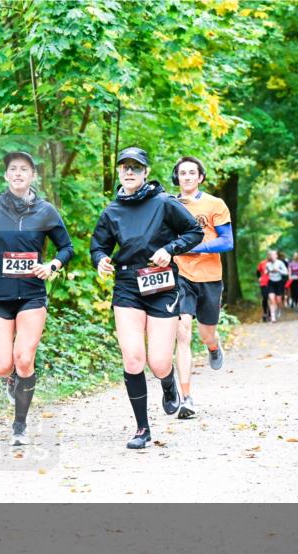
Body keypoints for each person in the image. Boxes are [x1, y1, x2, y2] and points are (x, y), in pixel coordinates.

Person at [90, 147, 203, 449]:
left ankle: (168, 383)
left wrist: (171, 249)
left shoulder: (164, 203)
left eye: (135, 168)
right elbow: (98, 246)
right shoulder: (111, 211)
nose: (129, 172)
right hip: (127, 284)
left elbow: (194, 231)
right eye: (124, 167)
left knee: (159, 361)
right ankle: (142, 428)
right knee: (132, 357)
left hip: (161, 282)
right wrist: (100, 259)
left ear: (146, 173)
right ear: (119, 172)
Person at [0, 151, 74, 445]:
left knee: (24, 359)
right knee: (4, 366)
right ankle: (13, 380)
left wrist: (52, 266)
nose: (18, 173)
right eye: (13, 169)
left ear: (32, 176)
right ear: (6, 176)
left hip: (31, 295)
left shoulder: (46, 211)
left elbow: (66, 247)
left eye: (24, 169)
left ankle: (20, 426)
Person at [170, 156, 233, 419]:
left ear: (200, 177)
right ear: (177, 177)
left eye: (191, 172)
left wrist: (197, 247)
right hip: (180, 276)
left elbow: (227, 241)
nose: (186, 176)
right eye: (182, 173)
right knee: (182, 334)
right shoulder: (169, 205)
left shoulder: (215, 204)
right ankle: (186, 398)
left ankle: (213, 346)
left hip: (209, 276)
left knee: (207, 332)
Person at [265, 250, 288, 322]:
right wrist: (269, 271)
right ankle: (273, 316)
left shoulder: (280, 263)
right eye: (271, 255)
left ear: (276, 256)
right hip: (271, 282)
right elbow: (265, 273)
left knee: (278, 300)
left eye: (273, 255)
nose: (272, 256)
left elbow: (286, 273)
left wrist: (278, 270)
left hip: (279, 283)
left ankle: (279, 309)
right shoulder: (268, 264)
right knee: (271, 299)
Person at [257, 255, 271, 322]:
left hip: (272, 282)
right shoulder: (262, 263)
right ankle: (265, 313)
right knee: (265, 298)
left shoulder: (276, 263)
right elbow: (257, 271)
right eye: (270, 255)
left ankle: (271, 314)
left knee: (271, 298)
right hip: (264, 283)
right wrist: (259, 277)